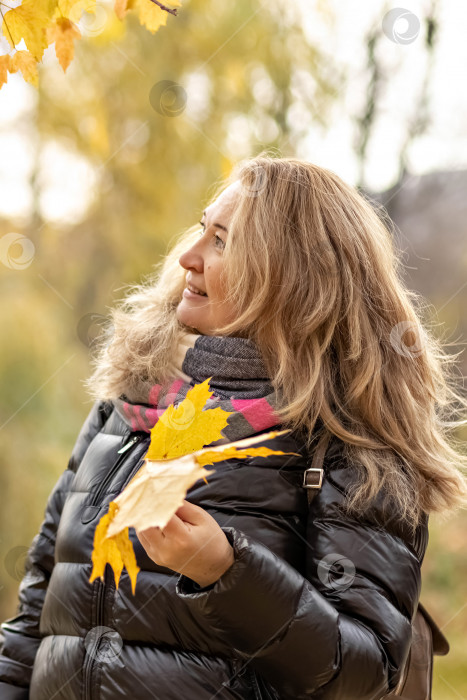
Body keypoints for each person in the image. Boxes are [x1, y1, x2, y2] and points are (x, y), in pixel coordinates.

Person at [1, 155, 466, 699]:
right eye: (203, 230)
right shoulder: (130, 405)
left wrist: (227, 573)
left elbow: (363, 671)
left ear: (291, 276)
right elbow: (36, 613)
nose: (187, 257)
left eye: (222, 241)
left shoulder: (351, 445)